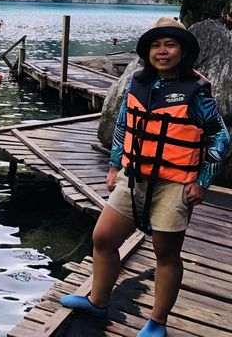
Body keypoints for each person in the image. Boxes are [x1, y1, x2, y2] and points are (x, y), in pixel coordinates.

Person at [60, 17, 229, 337]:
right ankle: (97, 301)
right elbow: (124, 125)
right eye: (155, 45)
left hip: (175, 183)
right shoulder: (138, 83)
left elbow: (221, 138)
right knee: (104, 238)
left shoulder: (196, 92)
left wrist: (201, 181)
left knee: (165, 254)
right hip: (133, 176)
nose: (162, 51)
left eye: (170, 44)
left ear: (183, 51)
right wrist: (113, 166)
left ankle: (157, 323)